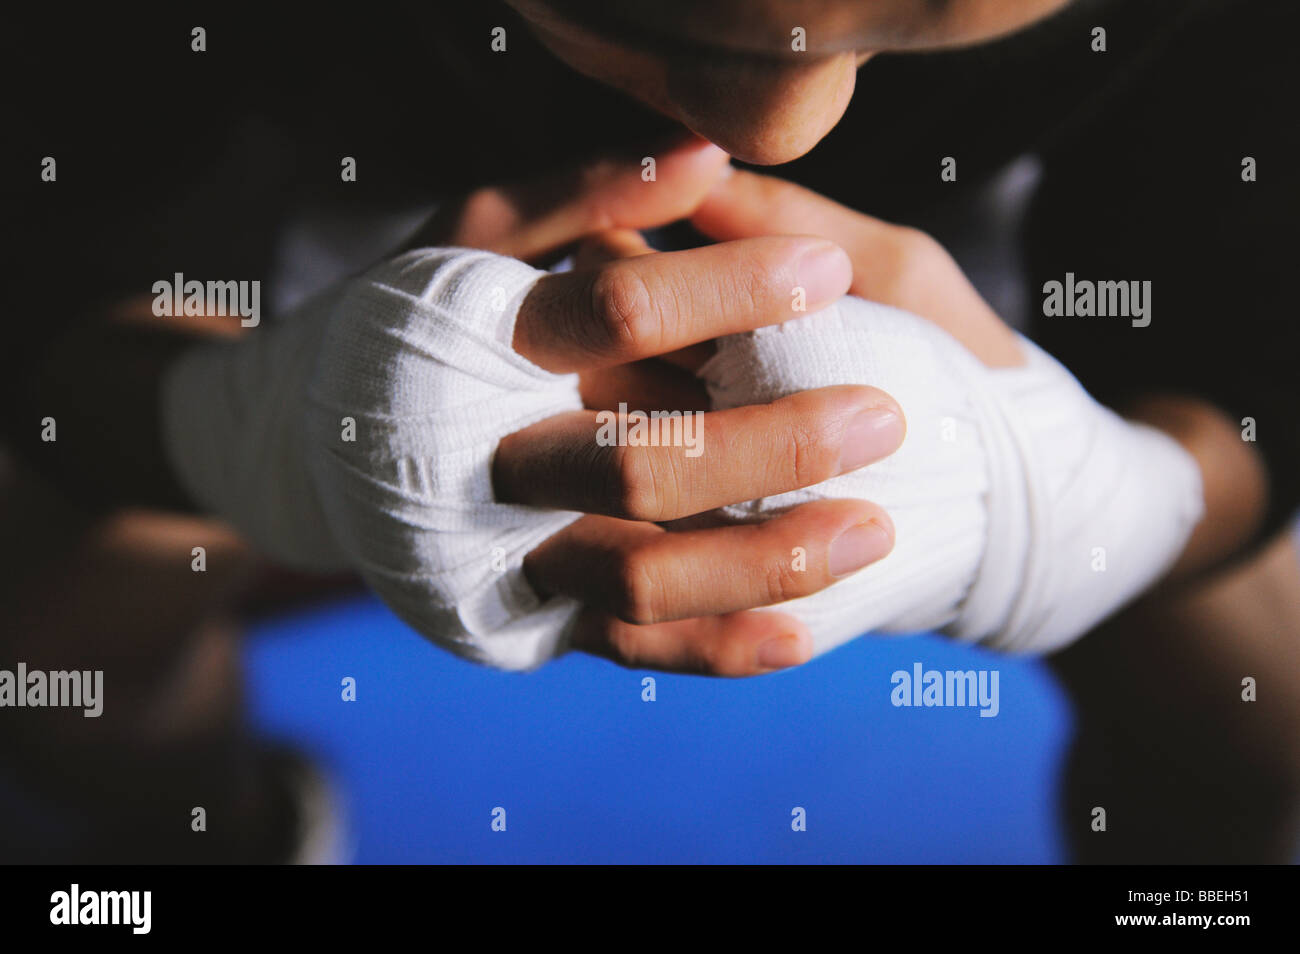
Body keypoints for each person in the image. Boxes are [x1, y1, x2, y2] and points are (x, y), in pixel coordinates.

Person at [4, 0, 1296, 861]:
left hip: (1004, 243)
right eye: (634, 7)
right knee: (58, 670)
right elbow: (58, 271)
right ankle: (216, 838)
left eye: (916, 14)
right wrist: (259, 416)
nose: (776, 128)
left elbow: (1248, 358)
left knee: (1262, 724)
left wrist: (1086, 495)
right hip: (318, 183)